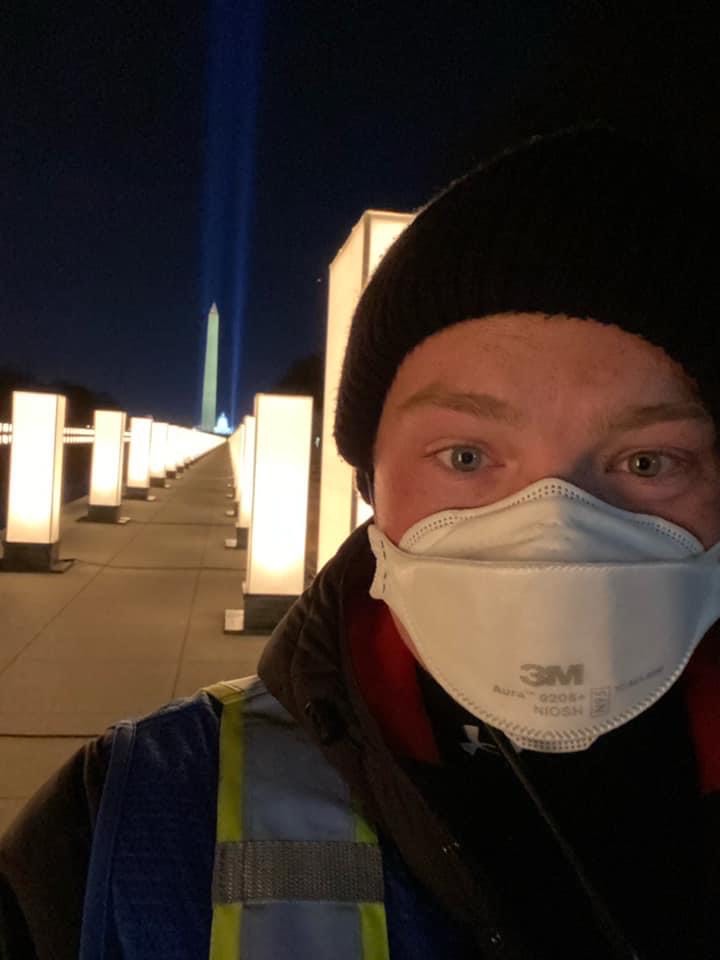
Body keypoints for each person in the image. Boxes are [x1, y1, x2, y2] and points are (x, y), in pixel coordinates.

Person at [2, 125, 720, 959]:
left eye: (646, 460)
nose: (552, 523)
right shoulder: (124, 824)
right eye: (466, 456)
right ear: (369, 485)